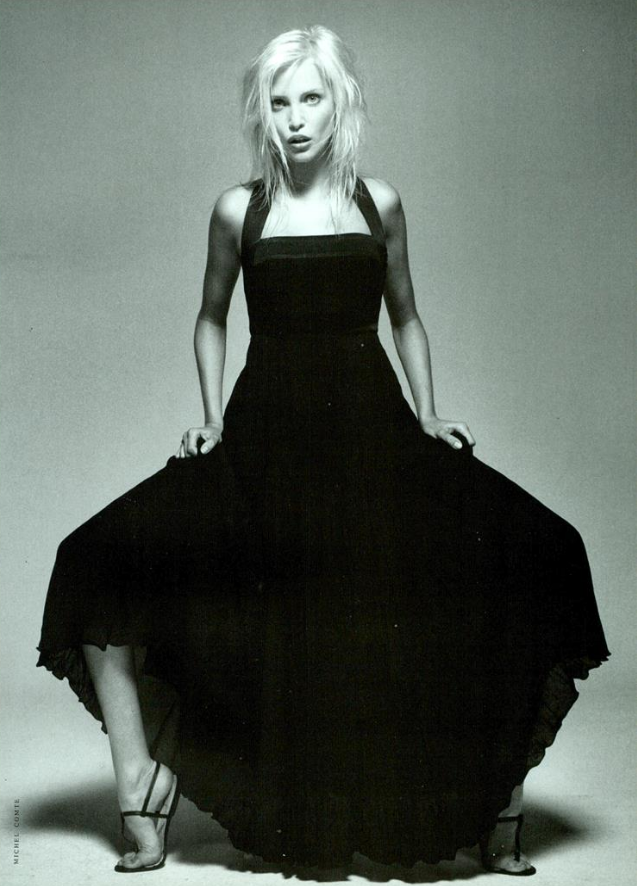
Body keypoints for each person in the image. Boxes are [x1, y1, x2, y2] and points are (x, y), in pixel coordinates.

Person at [37, 25, 610, 876]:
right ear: (261, 113)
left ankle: (496, 804)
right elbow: (210, 317)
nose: (295, 118)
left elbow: (406, 315)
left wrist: (429, 413)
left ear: (339, 106)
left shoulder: (379, 203)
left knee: (536, 551)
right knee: (95, 559)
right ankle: (139, 794)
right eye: (279, 102)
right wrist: (209, 419)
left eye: (311, 99)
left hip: (373, 439)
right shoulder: (237, 210)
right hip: (262, 442)